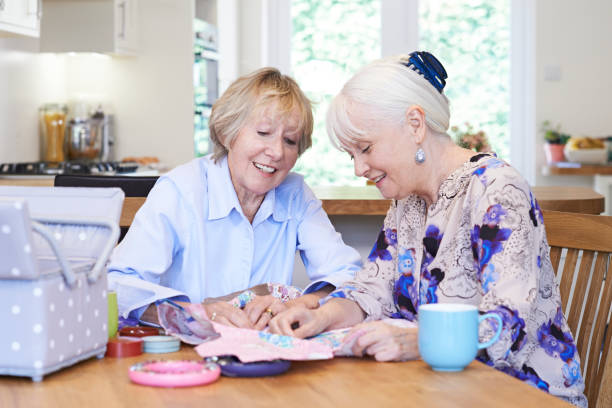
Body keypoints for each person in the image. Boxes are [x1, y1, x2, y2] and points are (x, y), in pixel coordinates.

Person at [269, 52, 587, 407]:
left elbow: (509, 324)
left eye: (366, 148)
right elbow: (373, 290)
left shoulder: (497, 188)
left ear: (415, 125)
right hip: (439, 390)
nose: (359, 168)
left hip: (520, 394)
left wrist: (417, 341)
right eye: (351, 155)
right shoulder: (408, 201)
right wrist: (320, 315)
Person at [107, 67, 362, 330]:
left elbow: (350, 277)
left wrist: (299, 304)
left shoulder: (295, 193)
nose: (276, 152)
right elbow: (118, 283)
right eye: (263, 133)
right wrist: (195, 312)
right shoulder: (181, 190)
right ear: (228, 133)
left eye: (290, 141)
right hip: (186, 352)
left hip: (264, 351)